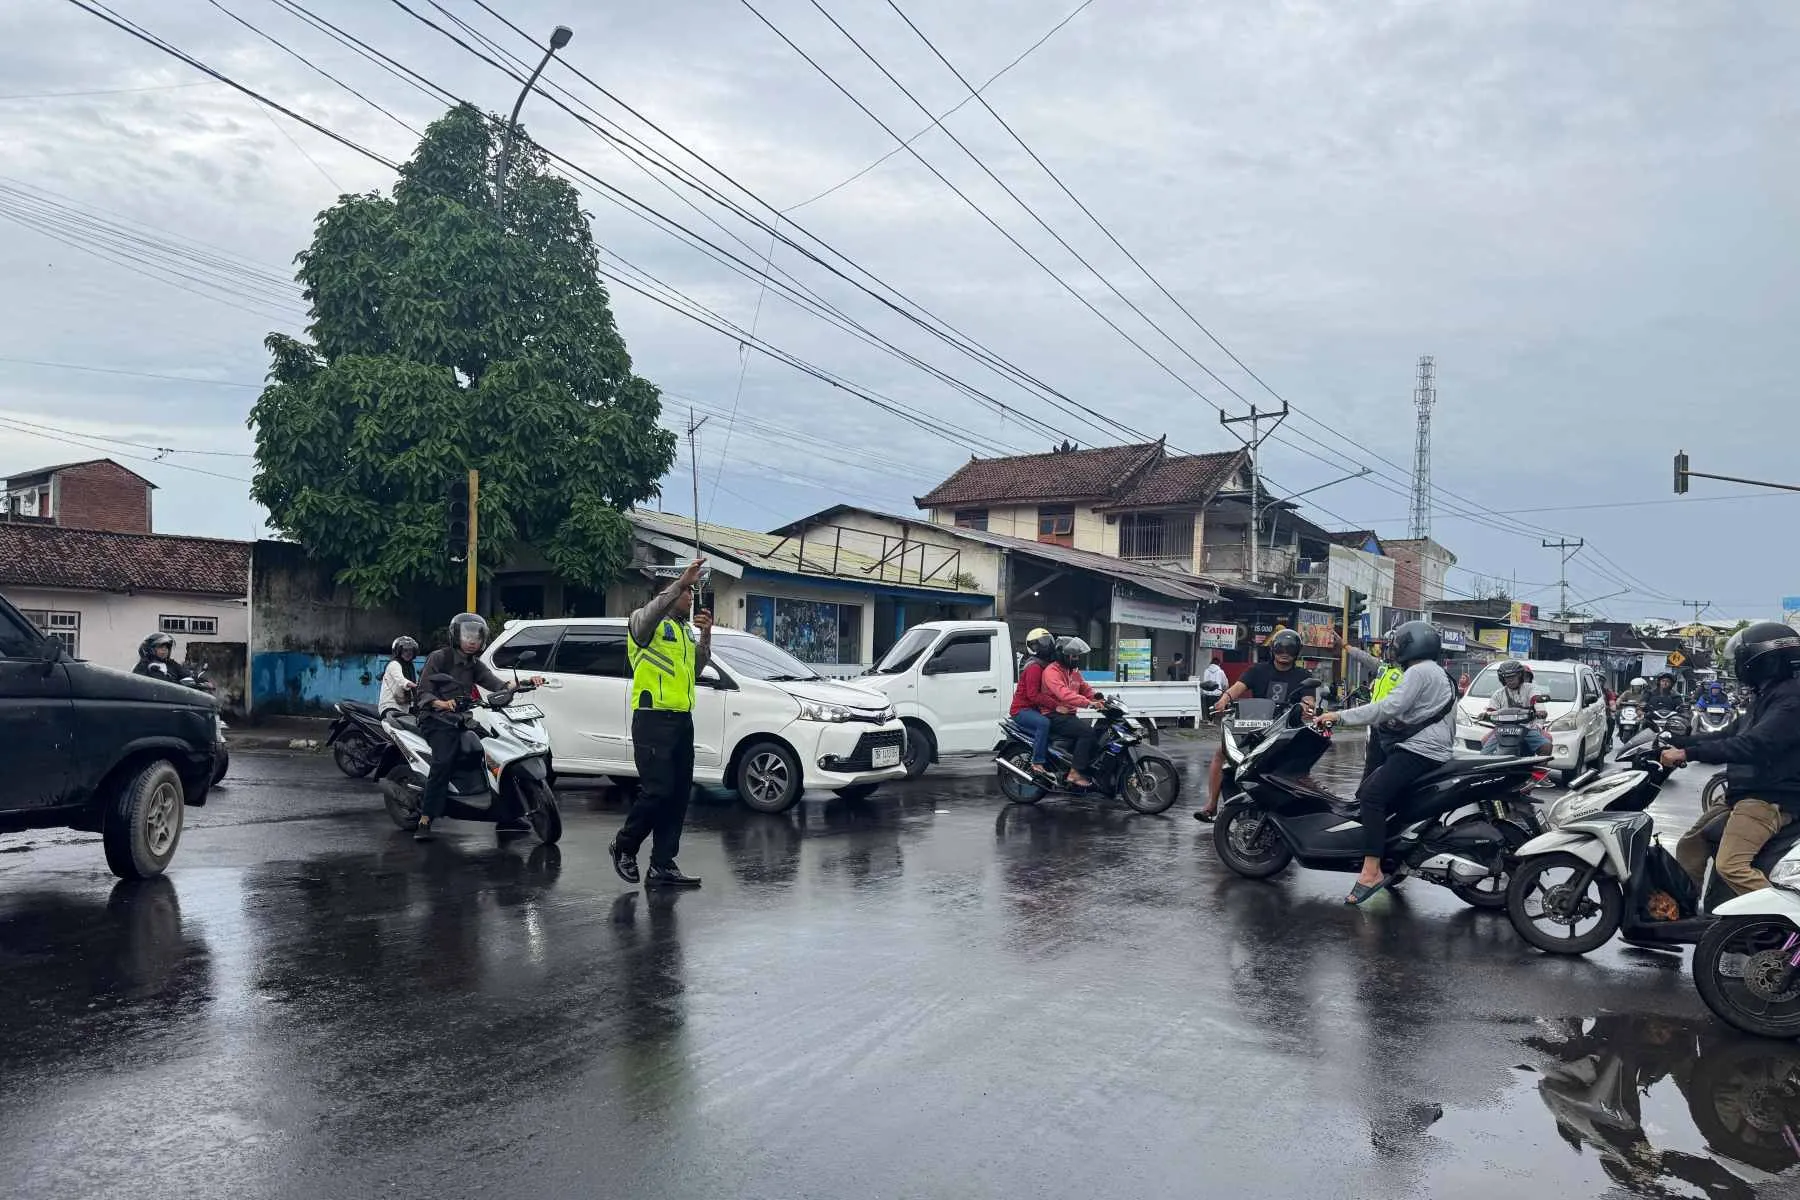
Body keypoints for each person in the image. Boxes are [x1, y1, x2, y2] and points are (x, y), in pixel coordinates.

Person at [1316, 621, 1458, 905]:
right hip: (1432, 749)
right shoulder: (1437, 672)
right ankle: (1394, 855)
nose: (1394, 650)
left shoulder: (1418, 672)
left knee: (1371, 795)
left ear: (1409, 646)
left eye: (1397, 645)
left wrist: (1339, 716)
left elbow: (1388, 707)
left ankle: (1371, 872)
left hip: (1420, 751)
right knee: (1383, 794)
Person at [1666, 623, 1800, 894]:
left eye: (1743, 658)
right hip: (1744, 792)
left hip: (1770, 798)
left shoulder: (1791, 700)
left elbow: (1754, 744)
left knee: (1731, 865)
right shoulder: (1766, 695)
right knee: (1690, 845)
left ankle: (1784, 915)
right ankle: (1684, 910)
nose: (1739, 665)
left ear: (1764, 660)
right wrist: (1678, 741)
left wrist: (1688, 754)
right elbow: (1729, 734)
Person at [610, 558, 713, 888]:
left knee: (678, 795)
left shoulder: (683, 630)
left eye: (691, 592)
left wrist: (705, 635)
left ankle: (662, 865)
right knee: (658, 791)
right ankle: (624, 845)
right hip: (653, 718)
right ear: (666, 594)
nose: (691, 597)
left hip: (682, 719)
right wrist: (681, 581)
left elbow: (696, 669)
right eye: (686, 592)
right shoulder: (643, 622)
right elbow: (651, 614)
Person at [414, 612, 544, 842]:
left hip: (462, 718)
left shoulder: (474, 664)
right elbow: (423, 691)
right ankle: (426, 818)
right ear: (456, 636)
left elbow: (497, 684)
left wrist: (525, 682)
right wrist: (441, 703)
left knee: (496, 752)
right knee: (443, 761)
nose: (472, 641)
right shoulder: (439, 658)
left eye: (476, 637)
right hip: (435, 719)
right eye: (467, 636)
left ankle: (507, 815)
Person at [1195, 629, 1318, 821]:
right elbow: (1236, 688)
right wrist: (1224, 699)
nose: (1285, 653)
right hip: (1256, 729)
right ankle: (1211, 805)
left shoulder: (1303, 676)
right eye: (1280, 648)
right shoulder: (1257, 670)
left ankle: (1306, 808)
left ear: (1297, 652)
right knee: (1221, 752)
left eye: (1290, 649)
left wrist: (1306, 706)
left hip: (1286, 733)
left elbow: (1309, 700)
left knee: (1300, 764)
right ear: (1273, 649)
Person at [1041, 636, 1103, 787]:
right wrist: (1088, 703)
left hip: (1068, 715)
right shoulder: (1052, 671)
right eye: (1073, 656)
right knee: (1087, 732)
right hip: (1054, 715)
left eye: (1077, 656)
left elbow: (1084, 687)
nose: (1076, 659)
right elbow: (1064, 694)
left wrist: (1098, 698)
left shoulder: (1073, 671)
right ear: (1062, 655)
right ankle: (1074, 774)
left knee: (1098, 733)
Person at [1009, 628, 1059, 783]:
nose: (1046, 646)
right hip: (1021, 710)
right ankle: (1037, 762)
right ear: (1032, 646)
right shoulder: (1034, 667)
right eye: (1041, 643)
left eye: (1047, 642)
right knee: (1043, 724)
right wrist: (1055, 705)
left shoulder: (1046, 666)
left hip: (1034, 709)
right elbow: (1033, 695)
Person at [1481, 659, 1552, 756]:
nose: (1510, 680)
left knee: (1546, 746)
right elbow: (1491, 711)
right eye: (1507, 677)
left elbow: (1535, 699)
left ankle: (1538, 766)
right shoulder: (1498, 694)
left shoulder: (1530, 688)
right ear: (1502, 679)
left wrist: (1540, 711)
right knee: (1484, 753)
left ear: (1520, 676)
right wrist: (1486, 716)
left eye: (1513, 676)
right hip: (1502, 730)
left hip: (1526, 728)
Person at [378, 635, 418, 719]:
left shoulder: (410, 667)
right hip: (390, 707)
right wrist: (416, 686)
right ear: (398, 651)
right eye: (405, 650)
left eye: (411, 650)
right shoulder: (394, 664)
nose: (408, 653)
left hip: (403, 710)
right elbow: (401, 680)